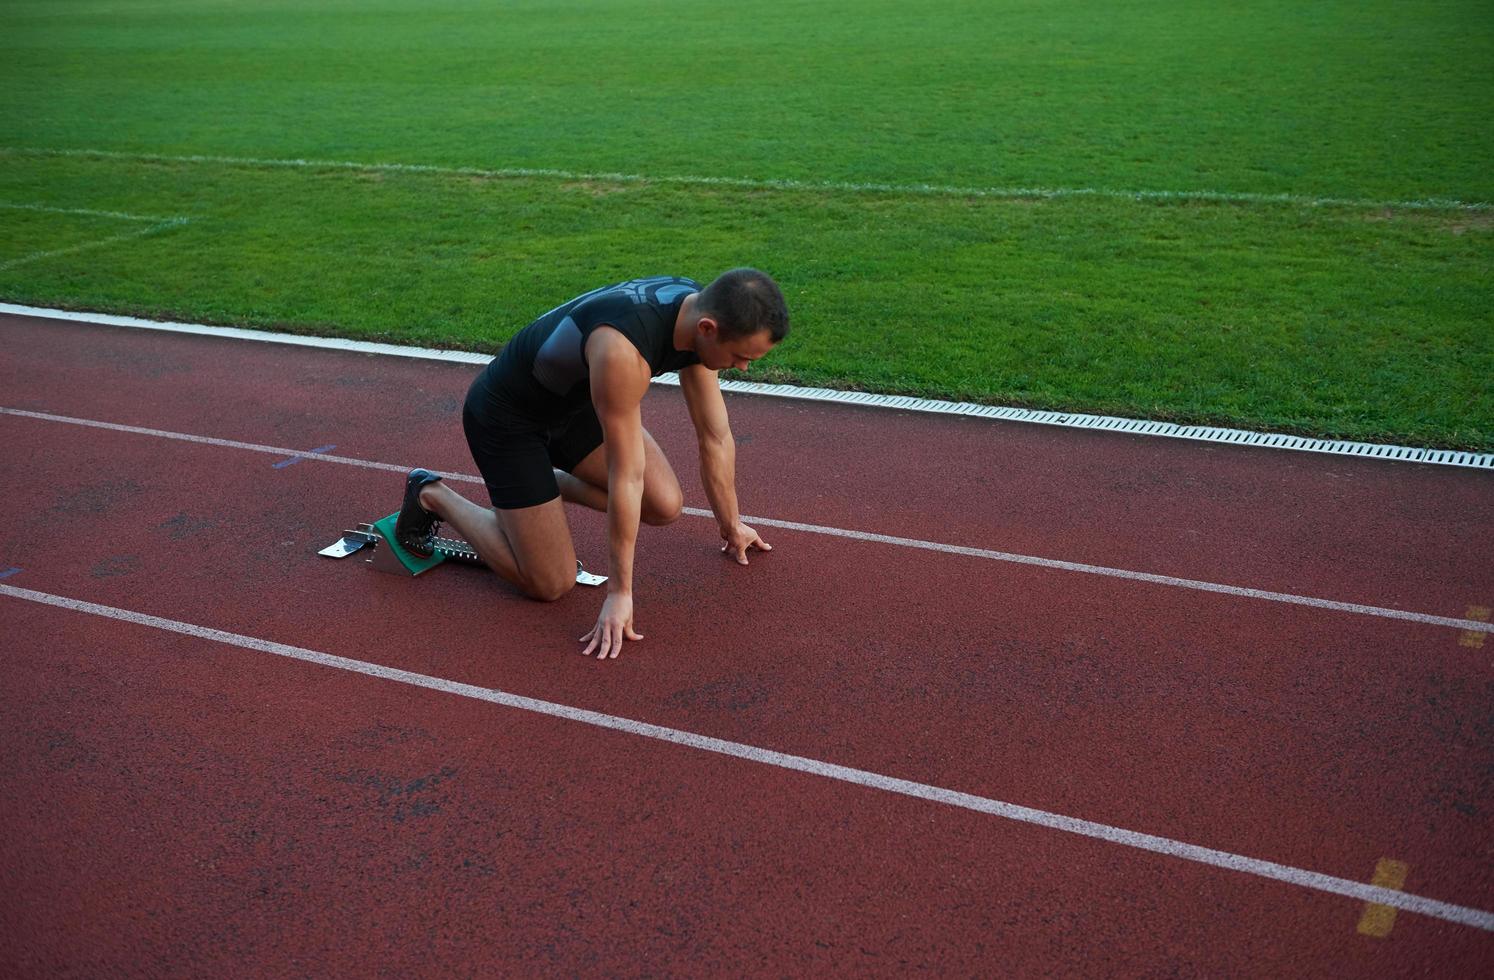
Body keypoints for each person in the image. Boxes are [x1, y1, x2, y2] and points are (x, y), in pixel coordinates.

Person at [394, 269, 789, 660]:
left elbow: (715, 435)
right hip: (508, 420)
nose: (743, 368)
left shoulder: (698, 312)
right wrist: (620, 593)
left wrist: (730, 524)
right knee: (550, 582)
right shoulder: (622, 351)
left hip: (577, 408)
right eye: (740, 356)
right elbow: (626, 478)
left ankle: (539, 491)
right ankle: (431, 494)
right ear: (708, 328)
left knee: (664, 504)